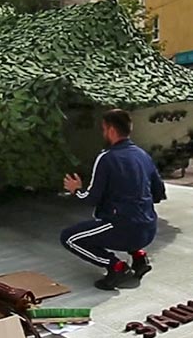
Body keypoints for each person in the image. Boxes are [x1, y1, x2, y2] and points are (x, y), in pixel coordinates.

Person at [60, 108, 166, 290]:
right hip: (149, 229)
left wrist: (76, 190)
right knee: (123, 217)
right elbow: (158, 193)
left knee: (69, 238)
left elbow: (91, 198)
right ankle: (139, 257)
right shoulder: (143, 155)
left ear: (110, 130)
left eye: (103, 129)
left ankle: (116, 267)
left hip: (124, 229)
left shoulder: (106, 158)